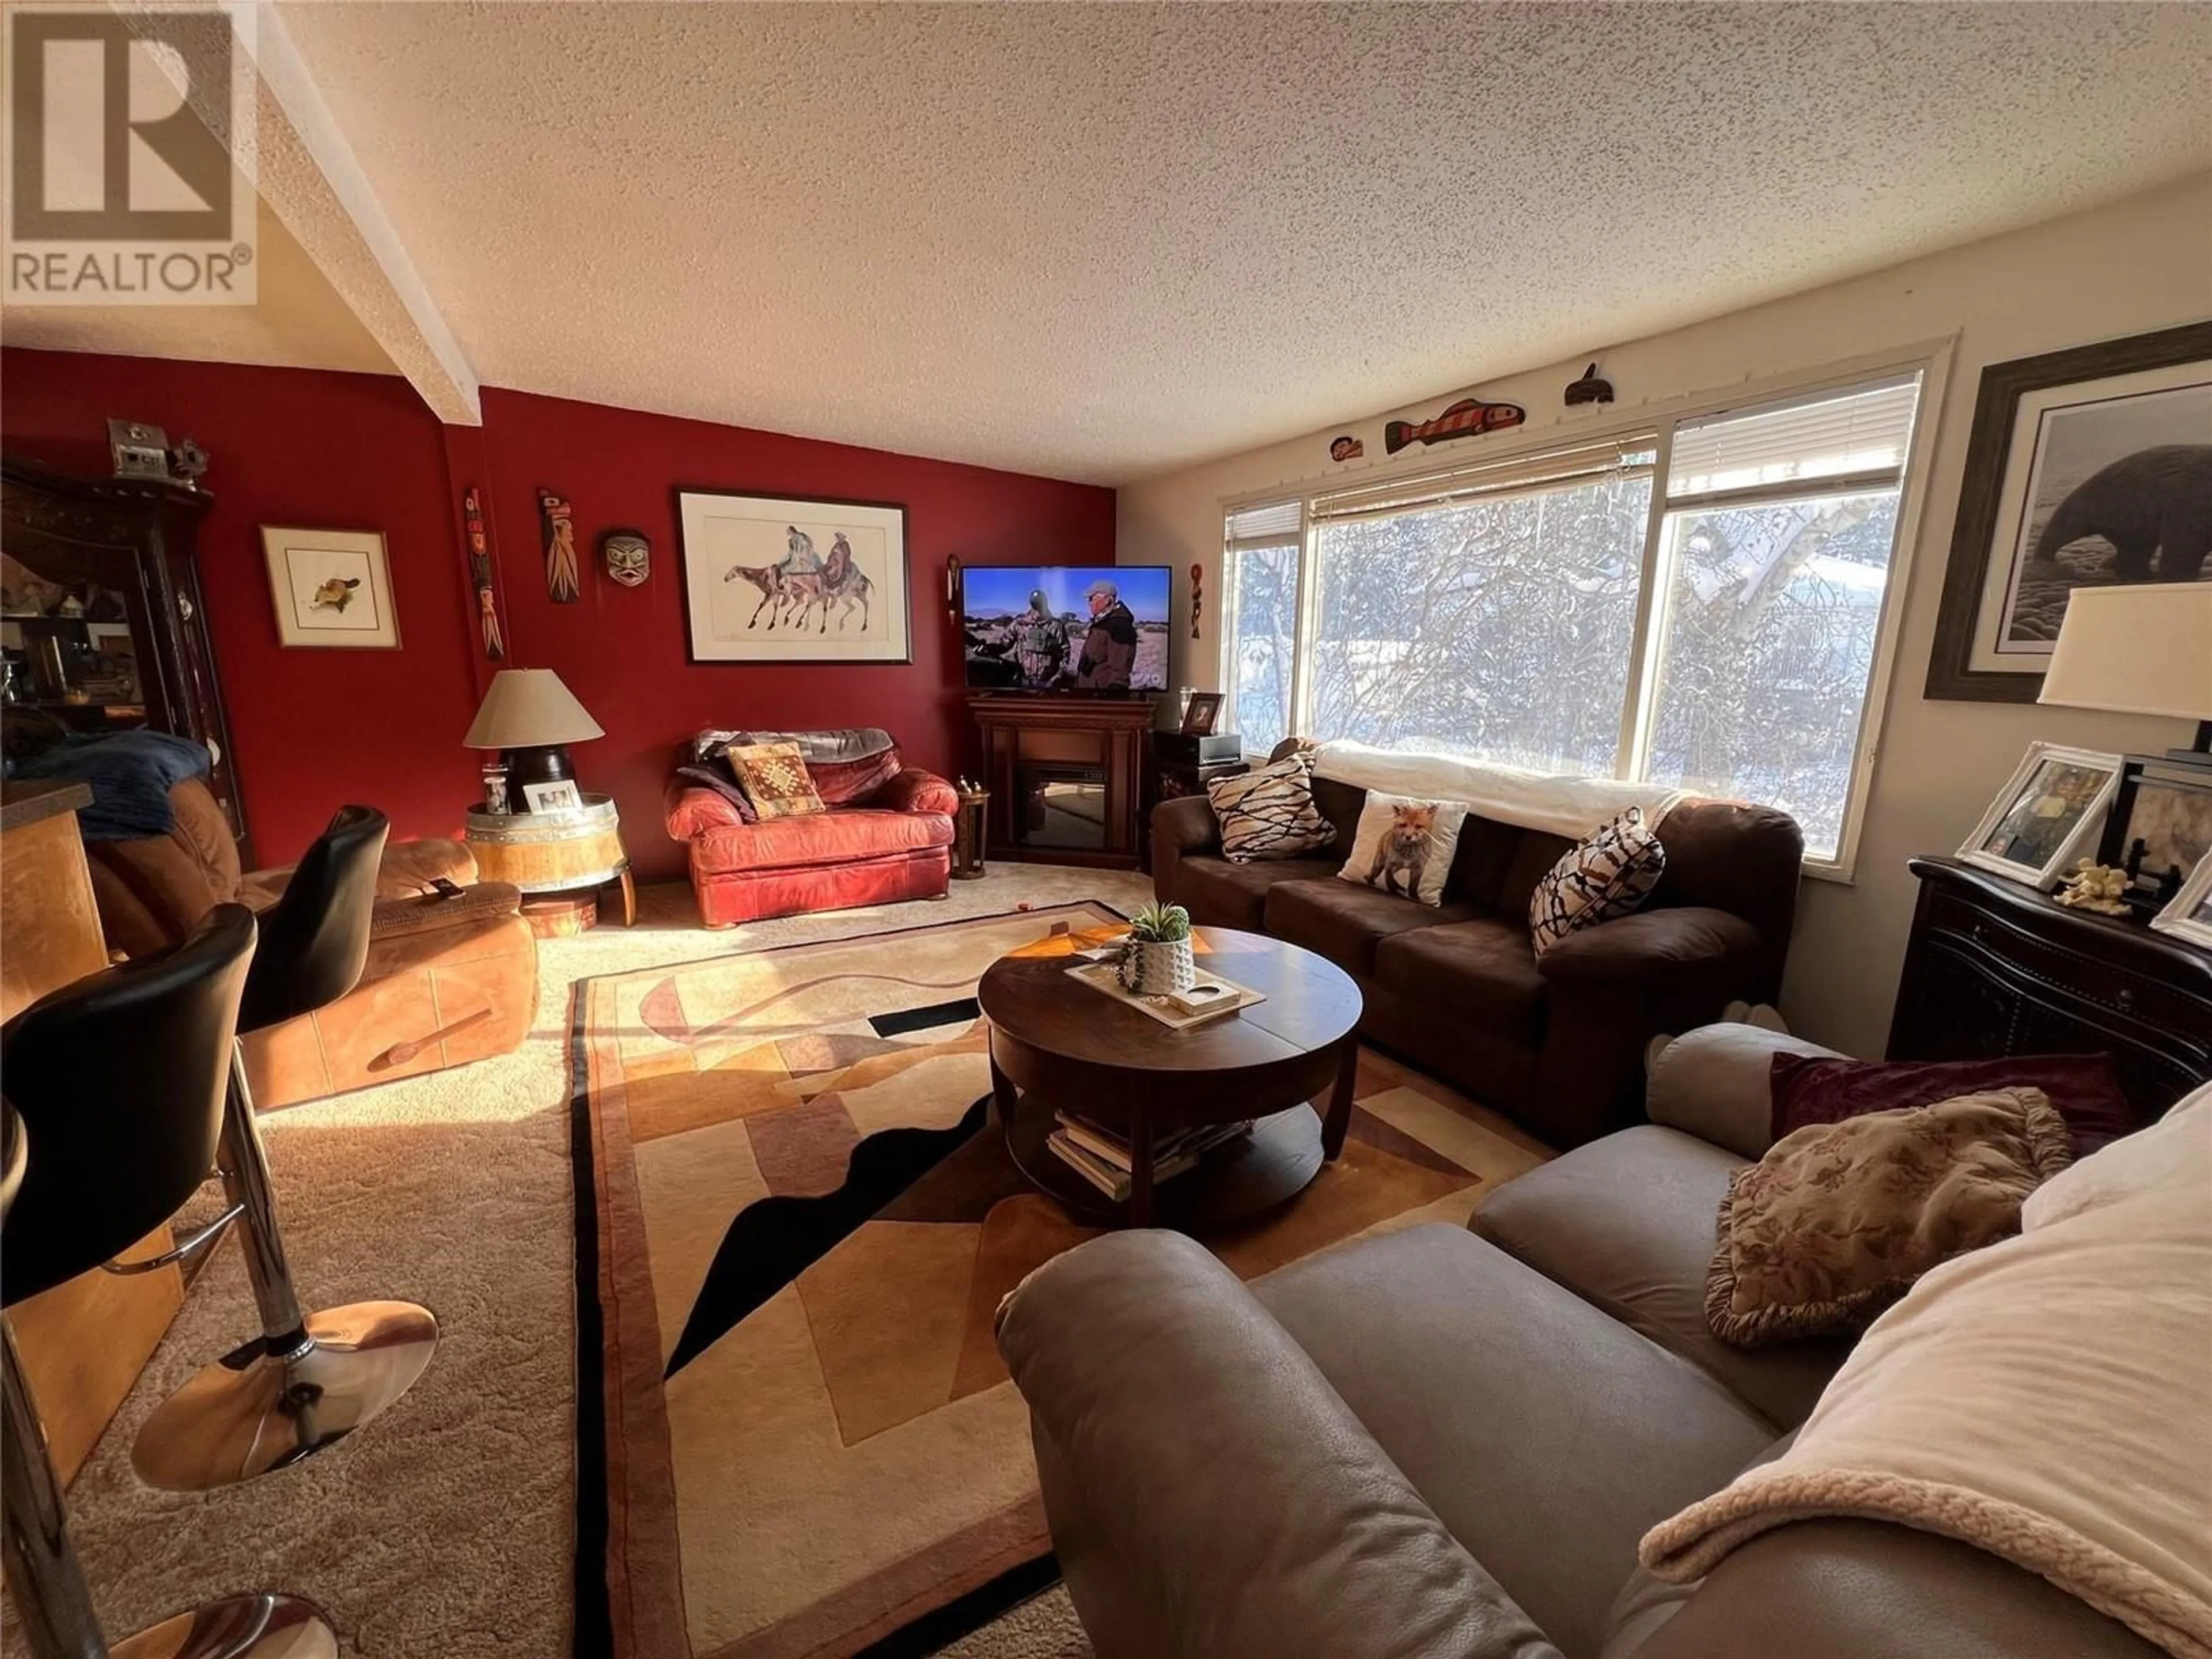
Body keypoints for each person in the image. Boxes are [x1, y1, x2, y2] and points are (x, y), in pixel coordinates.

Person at [1075, 578, 1137, 691]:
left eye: (1092, 599)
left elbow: (1120, 672)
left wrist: (1110, 701)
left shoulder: (1120, 626)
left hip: (1100, 699)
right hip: (1088, 694)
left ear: (1107, 600)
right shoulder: (1102, 623)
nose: (1089, 603)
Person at [1011, 589, 1069, 687]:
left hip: (1047, 683)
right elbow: (1004, 643)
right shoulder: (1020, 624)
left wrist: (1057, 677)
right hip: (1024, 681)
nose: (1038, 609)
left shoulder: (1056, 626)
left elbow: (1065, 652)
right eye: (1035, 605)